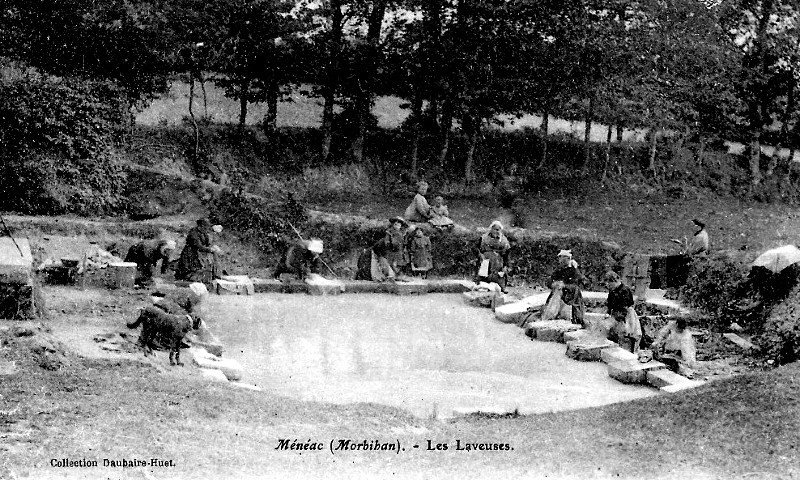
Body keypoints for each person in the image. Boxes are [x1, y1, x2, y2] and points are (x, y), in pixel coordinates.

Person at [542, 250, 585, 325]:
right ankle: (550, 315)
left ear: (568, 259)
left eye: (562, 259)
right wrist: (554, 284)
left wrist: (564, 286)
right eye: (560, 259)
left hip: (571, 298)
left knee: (572, 316)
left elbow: (576, 286)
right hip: (559, 294)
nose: (560, 261)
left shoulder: (574, 271)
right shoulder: (559, 270)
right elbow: (549, 280)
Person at [603, 271, 641, 353]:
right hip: (616, 314)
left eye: (609, 283)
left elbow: (625, 307)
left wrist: (614, 320)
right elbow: (609, 304)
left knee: (626, 335)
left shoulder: (625, 290)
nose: (608, 286)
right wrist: (608, 313)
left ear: (614, 281)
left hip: (626, 316)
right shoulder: (612, 290)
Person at [175, 218, 221, 283]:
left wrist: (213, 247)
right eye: (205, 226)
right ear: (201, 225)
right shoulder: (193, 233)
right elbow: (199, 246)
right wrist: (210, 249)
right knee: (191, 270)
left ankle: (215, 274)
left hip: (198, 254)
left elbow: (207, 242)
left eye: (207, 226)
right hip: (189, 254)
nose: (207, 228)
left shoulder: (203, 232)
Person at [476, 220, 511, 292]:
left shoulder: (504, 241)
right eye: (495, 229)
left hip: (498, 262)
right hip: (486, 260)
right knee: (483, 278)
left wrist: (506, 266)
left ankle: (501, 288)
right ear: (491, 229)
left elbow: (507, 254)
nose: (497, 231)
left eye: (498, 230)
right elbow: (476, 248)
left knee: (500, 276)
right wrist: (481, 256)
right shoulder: (484, 238)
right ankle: (482, 286)